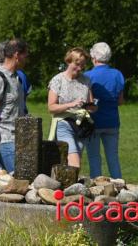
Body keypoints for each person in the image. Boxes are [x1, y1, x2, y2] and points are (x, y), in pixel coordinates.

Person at [47, 47, 97, 168]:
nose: (80, 68)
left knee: (74, 160)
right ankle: (74, 186)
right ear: (69, 61)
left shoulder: (86, 80)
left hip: (81, 125)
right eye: (77, 64)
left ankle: (66, 184)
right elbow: (51, 107)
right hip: (63, 123)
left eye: (83, 66)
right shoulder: (57, 80)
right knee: (74, 161)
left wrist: (91, 107)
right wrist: (71, 104)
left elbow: (91, 105)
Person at [0, 39, 29, 174]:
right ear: (17, 55)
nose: (27, 59)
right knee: (17, 181)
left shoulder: (17, 78)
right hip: (4, 141)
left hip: (19, 139)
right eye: (25, 55)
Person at [84, 42, 124, 179]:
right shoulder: (117, 74)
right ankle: (119, 186)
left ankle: (97, 188)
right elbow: (120, 101)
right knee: (113, 157)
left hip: (93, 122)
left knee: (94, 157)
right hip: (112, 121)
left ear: (94, 57)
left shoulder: (87, 76)